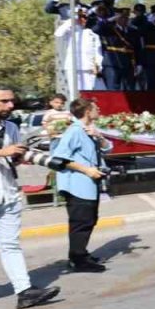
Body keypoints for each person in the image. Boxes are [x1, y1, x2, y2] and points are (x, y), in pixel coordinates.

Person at [0, 85, 63, 309]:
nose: (10, 105)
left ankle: (25, 292)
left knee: (11, 245)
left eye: (12, 101)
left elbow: (12, 157)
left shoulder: (12, 126)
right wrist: (2, 152)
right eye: (3, 101)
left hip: (8, 193)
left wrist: (18, 157)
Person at [51, 98, 112, 273]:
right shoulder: (74, 131)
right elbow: (60, 158)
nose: (98, 109)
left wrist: (98, 136)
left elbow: (109, 148)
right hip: (77, 185)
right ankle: (77, 259)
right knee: (81, 222)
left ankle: (81, 253)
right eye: (95, 107)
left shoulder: (89, 130)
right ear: (87, 111)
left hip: (89, 185)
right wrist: (87, 170)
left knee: (90, 220)